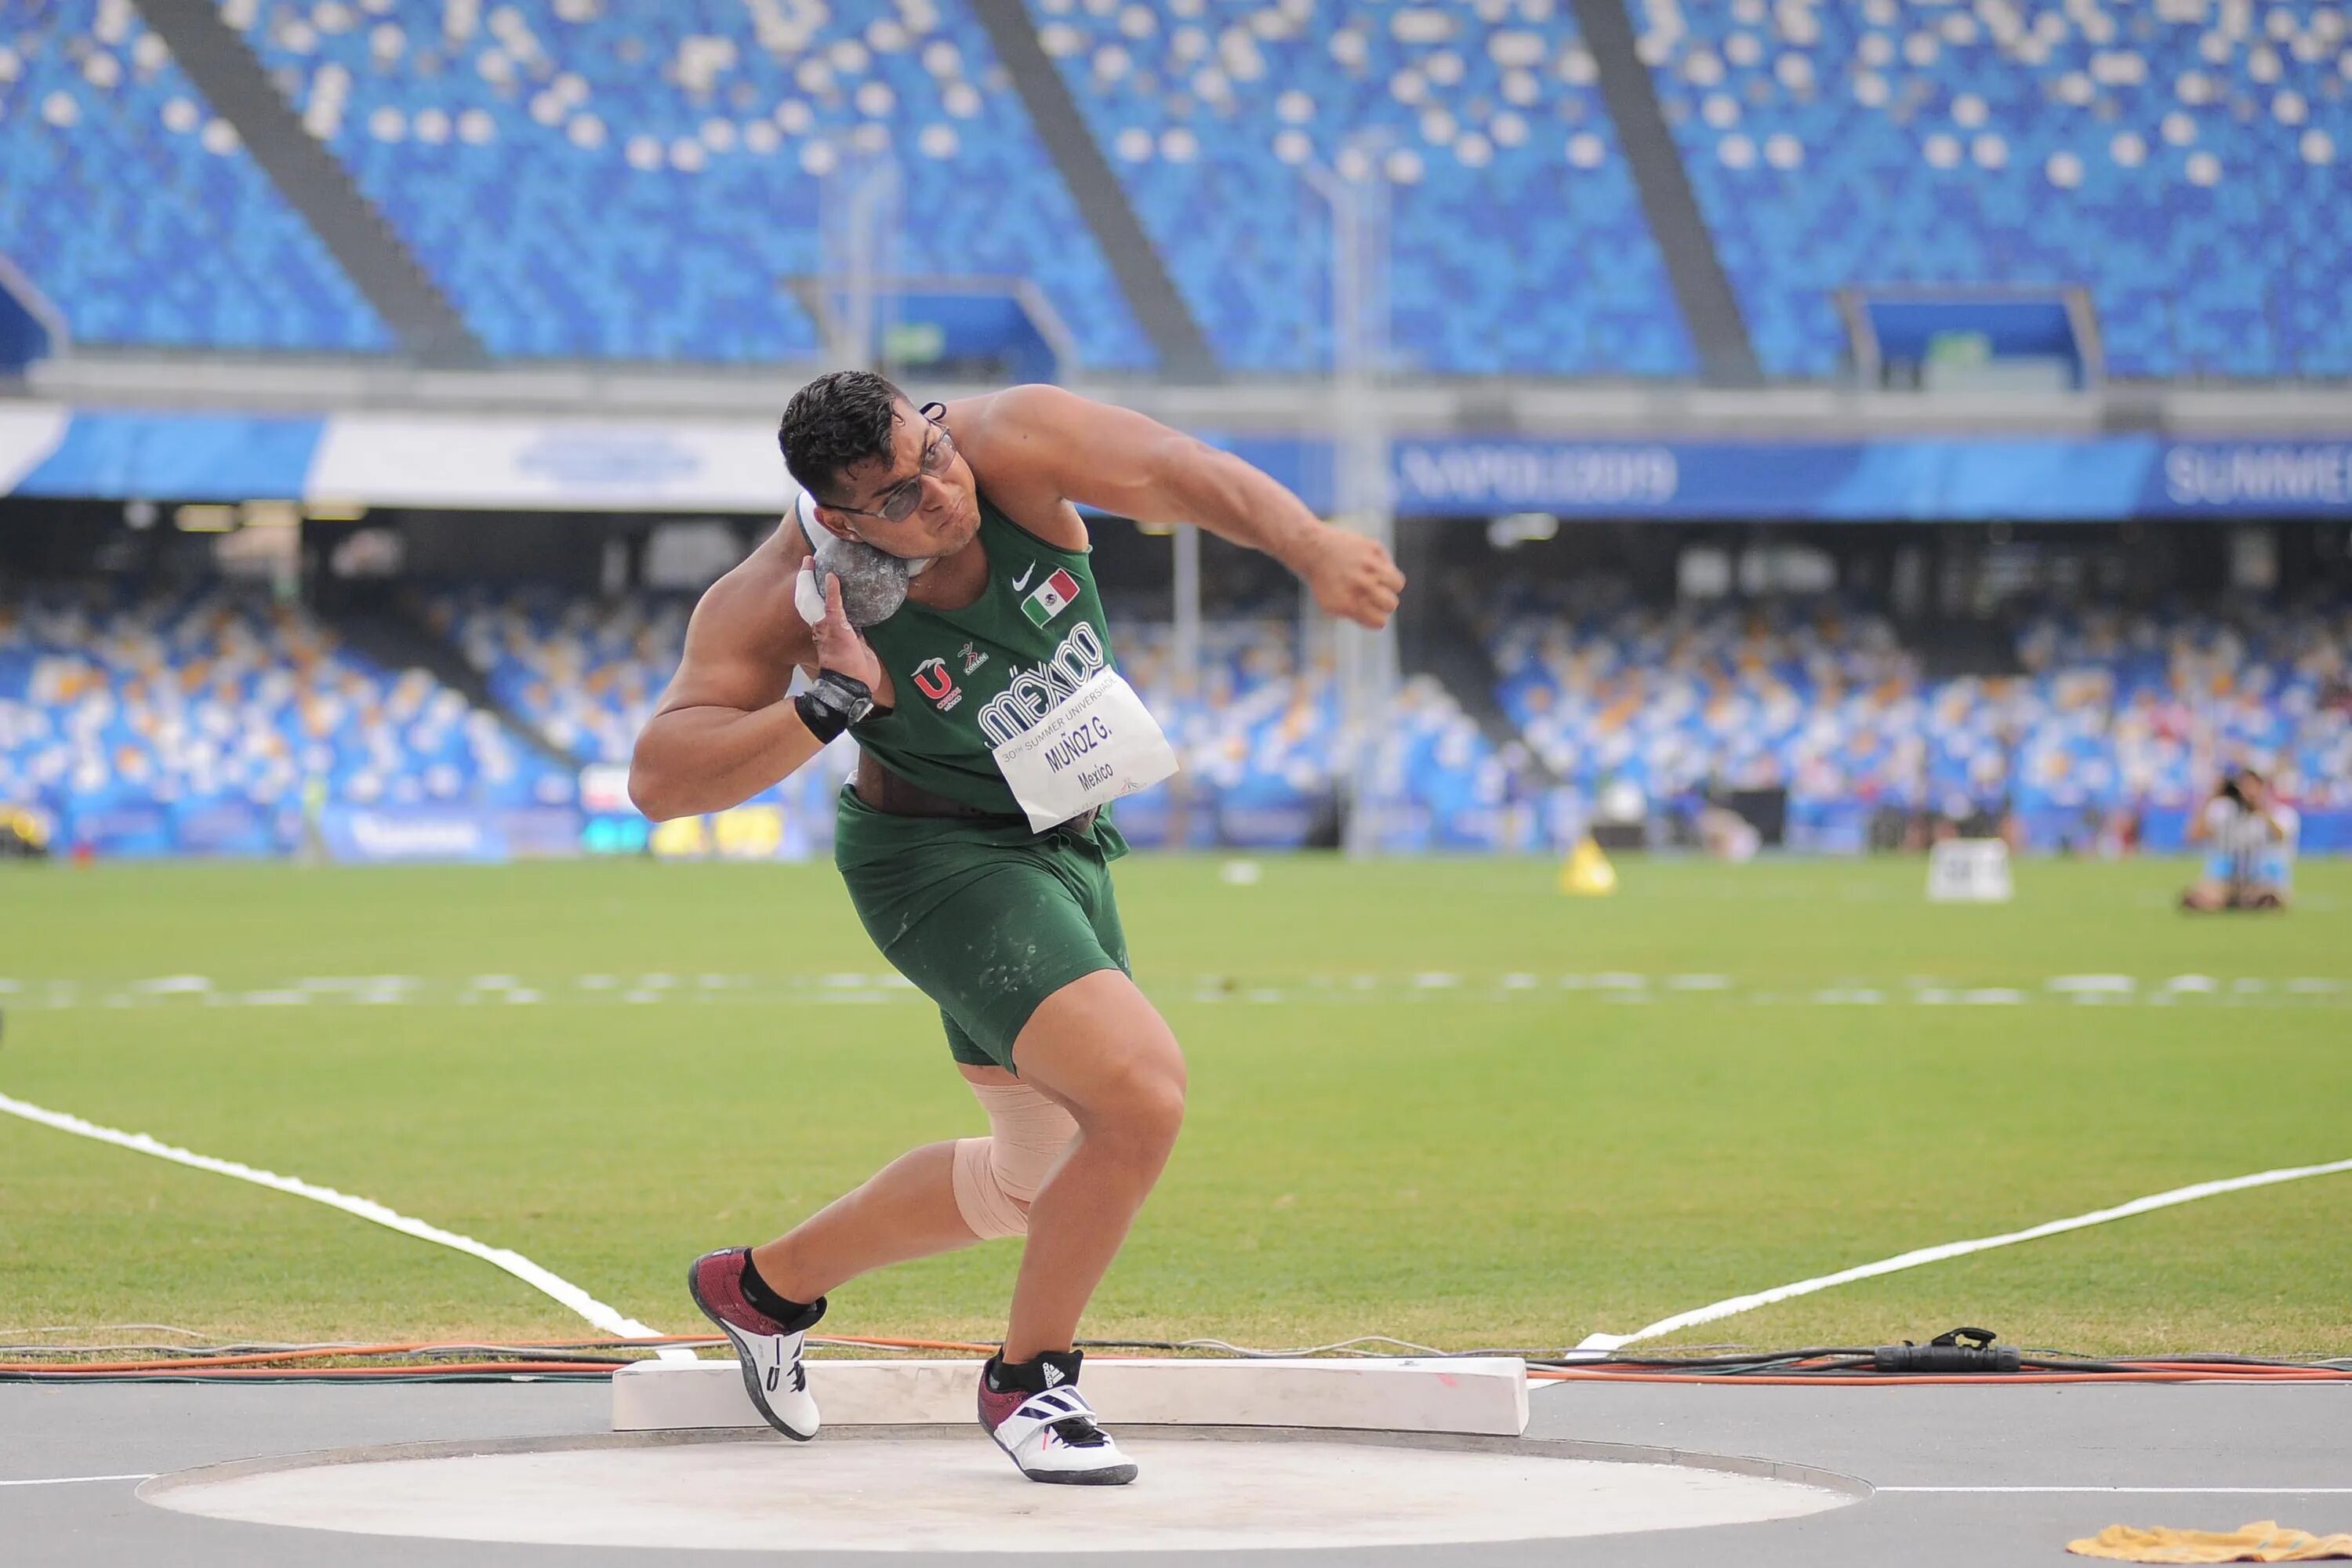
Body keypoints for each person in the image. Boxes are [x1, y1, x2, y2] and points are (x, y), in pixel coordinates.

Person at [629, 372, 1403, 1485]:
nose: (938, 491)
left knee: (1036, 1180)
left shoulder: (1009, 441)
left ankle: (759, 1290)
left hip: (1066, 831)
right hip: (939, 864)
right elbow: (660, 780)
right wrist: (821, 708)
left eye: (930, 454)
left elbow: (1171, 466)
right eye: (895, 498)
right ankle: (1030, 1380)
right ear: (841, 523)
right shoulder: (779, 599)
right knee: (1140, 1098)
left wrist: (1309, 543)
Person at [2181, 769, 2298, 911]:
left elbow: (2282, 837)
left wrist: (2259, 808)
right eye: (2243, 787)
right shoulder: (2227, 813)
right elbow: (2193, 836)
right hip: (2229, 879)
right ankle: (2231, 900)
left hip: (2264, 879)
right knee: (2198, 898)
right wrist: (2212, 797)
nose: (2246, 793)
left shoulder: (2281, 813)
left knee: (2266, 899)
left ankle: (2247, 901)